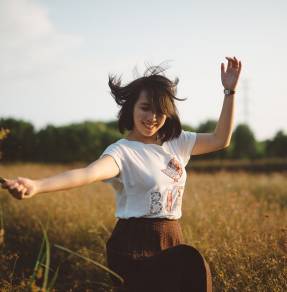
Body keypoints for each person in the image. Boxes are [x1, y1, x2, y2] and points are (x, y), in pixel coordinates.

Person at [1, 57, 242, 292]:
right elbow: (86, 174)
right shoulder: (122, 152)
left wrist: (229, 93)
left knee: (188, 266)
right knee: (192, 261)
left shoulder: (177, 142)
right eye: (145, 108)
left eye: (160, 111)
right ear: (131, 108)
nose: (152, 118)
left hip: (171, 238)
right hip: (133, 245)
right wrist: (36, 185)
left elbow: (221, 139)